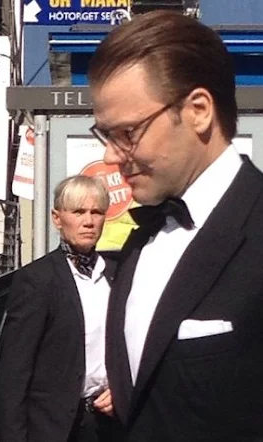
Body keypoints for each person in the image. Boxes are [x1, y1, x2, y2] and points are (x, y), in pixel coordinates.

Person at [88, 10, 263, 441]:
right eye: (104, 135)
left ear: (199, 110)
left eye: (127, 133)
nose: (111, 157)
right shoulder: (139, 240)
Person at [0, 175, 117, 442]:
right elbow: (15, 371)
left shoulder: (117, 276)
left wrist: (122, 388)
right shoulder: (37, 279)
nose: (88, 221)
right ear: (57, 218)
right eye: (78, 212)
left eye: (96, 212)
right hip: (54, 428)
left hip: (109, 424)